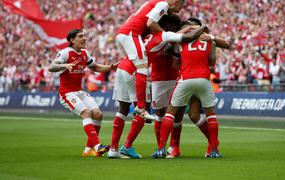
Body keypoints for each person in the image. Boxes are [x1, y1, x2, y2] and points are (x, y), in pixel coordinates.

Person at [108, 14, 208, 159]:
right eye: (173, 27)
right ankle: (127, 146)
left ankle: (113, 149)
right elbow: (183, 37)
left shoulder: (144, 36)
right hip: (138, 73)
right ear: (167, 26)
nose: (175, 30)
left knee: (123, 110)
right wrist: (199, 28)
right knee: (144, 111)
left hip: (123, 69)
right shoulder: (164, 35)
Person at [152, 21, 222, 158]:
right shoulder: (209, 41)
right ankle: (214, 149)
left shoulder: (180, 41)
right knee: (209, 115)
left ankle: (162, 148)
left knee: (171, 113)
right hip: (203, 79)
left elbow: (170, 53)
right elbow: (212, 63)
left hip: (185, 79)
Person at [48, 29, 117, 157]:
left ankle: (87, 150)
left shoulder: (85, 53)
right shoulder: (64, 53)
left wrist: (109, 67)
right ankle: (98, 146)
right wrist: (64, 65)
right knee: (86, 113)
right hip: (66, 93)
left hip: (79, 91)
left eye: (84, 36)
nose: (84, 39)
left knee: (97, 114)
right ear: (72, 40)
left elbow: (95, 67)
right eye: (80, 37)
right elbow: (51, 67)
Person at [115, 0, 185, 120]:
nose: (178, 10)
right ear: (176, 1)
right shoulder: (164, 4)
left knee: (135, 66)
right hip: (131, 34)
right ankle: (141, 108)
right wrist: (165, 35)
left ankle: (139, 105)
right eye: (180, 6)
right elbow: (151, 23)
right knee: (143, 67)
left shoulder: (150, 3)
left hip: (124, 34)